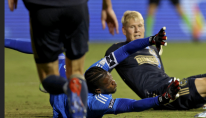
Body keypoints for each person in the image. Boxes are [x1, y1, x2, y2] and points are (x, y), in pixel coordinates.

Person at [6, 0, 119, 117]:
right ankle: (75, 90)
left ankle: (67, 86)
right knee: (77, 71)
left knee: (48, 77)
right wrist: (107, 6)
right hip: (76, 4)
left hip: (42, 5)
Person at [5, 29, 181, 118]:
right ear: (98, 90)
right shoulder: (95, 102)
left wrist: (150, 40)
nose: (113, 80)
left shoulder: (96, 72)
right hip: (62, 100)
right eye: (108, 82)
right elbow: (131, 105)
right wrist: (162, 99)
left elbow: (126, 50)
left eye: (110, 77)